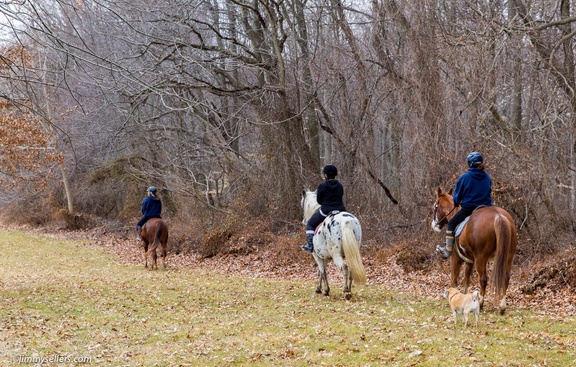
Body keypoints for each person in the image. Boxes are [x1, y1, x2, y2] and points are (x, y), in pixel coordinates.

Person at [436, 152, 492, 258]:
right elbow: (489, 190)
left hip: (469, 209)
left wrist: (457, 202)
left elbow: (457, 198)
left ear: (470, 163)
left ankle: (448, 250)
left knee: (452, 223)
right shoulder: (487, 177)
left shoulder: (465, 178)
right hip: (487, 208)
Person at [301, 164, 346, 253]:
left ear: (325, 175)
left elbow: (319, 201)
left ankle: (310, 246)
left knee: (310, 223)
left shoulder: (322, 186)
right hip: (341, 210)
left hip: (326, 211)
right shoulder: (340, 185)